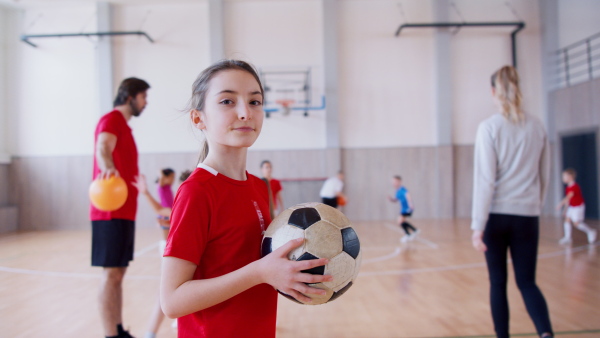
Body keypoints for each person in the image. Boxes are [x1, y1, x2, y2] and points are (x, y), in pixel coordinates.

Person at [159, 60, 331, 337]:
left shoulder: (257, 186)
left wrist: (292, 274)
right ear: (198, 118)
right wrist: (259, 272)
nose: (245, 113)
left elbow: (256, 270)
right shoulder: (198, 191)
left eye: (255, 101)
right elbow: (172, 301)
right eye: (227, 101)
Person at [471, 65, 553, 338]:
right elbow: (545, 174)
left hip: (495, 216)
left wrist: (477, 226)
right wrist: (534, 207)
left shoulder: (489, 128)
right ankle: (545, 333)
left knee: (498, 283)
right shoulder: (537, 126)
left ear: (493, 92)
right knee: (528, 282)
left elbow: (485, 180)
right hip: (527, 216)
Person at [91, 77, 150, 338]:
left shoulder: (125, 128)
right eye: (143, 97)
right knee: (111, 273)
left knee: (119, 273)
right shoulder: (112, 119)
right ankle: (110, 334)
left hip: (125, 211)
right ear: (130, 96)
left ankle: (117, 329)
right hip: (110, 211)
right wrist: (108, 168)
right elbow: (103, 147)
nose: (145, 103)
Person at [133, 170, 191, 338]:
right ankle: (151, 333)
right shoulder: (181, 204)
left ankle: (157, 330)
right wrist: (145, 192)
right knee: (167, 292)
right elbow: (159, 208)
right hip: (169, 249)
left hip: (172, 248)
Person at [556, 168, 597, 245]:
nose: (563, 178)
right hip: (572, 207)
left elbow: (568, 197)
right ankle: (567, 238)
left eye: (564, 176)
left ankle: (591, 232)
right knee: (567, 220)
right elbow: (569, 200)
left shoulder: (574, 186)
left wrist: (560, 204)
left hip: (578, 207)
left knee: (576, 223)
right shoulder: (568, 187)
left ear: (570, 177)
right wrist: (565, 210)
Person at [388, 175, 419, 242]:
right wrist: (391, 199)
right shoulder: (397, 191)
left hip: (407, 208)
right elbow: (396, 199)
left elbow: (408, 196)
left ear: (399, 182)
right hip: (403, 208)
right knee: (402, 221)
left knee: (400, 221)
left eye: (395, 181)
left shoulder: (403, 189)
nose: (393, 183)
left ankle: (411, 233)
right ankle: (413, 231)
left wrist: (410, 204)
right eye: (393, 182)